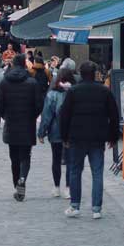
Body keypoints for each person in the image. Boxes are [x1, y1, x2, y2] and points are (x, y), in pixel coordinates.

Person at [55, 62, 120, 219]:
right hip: (97, 137)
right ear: (95, 74)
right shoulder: (104, 91)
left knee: (75, 171)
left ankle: (75, 205)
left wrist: (64, 136)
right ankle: (96, 208)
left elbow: (64, 116)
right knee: (97, 172)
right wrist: (113, 136)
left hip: (77, 137)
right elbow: (114, 115)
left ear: (81, 74)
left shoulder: (73, 92)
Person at [0, 55, 45, 201]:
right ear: (24, 65)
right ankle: (22, 179)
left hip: (11, 123)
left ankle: (17, 183)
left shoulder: (5, 82)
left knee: (14, 158)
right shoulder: (32, 82)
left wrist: (5, 116)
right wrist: (32, 116)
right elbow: (39, 104)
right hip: (27, 124)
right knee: (25, 156)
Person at [35, 69, 73, 199]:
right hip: (71, 132)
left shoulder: (52, 95)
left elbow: (46, 116)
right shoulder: (74, 92)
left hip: (55, 131)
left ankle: (57, 187)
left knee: (56, 160)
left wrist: (41, 132)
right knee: (70, 161)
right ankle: (68, 188)